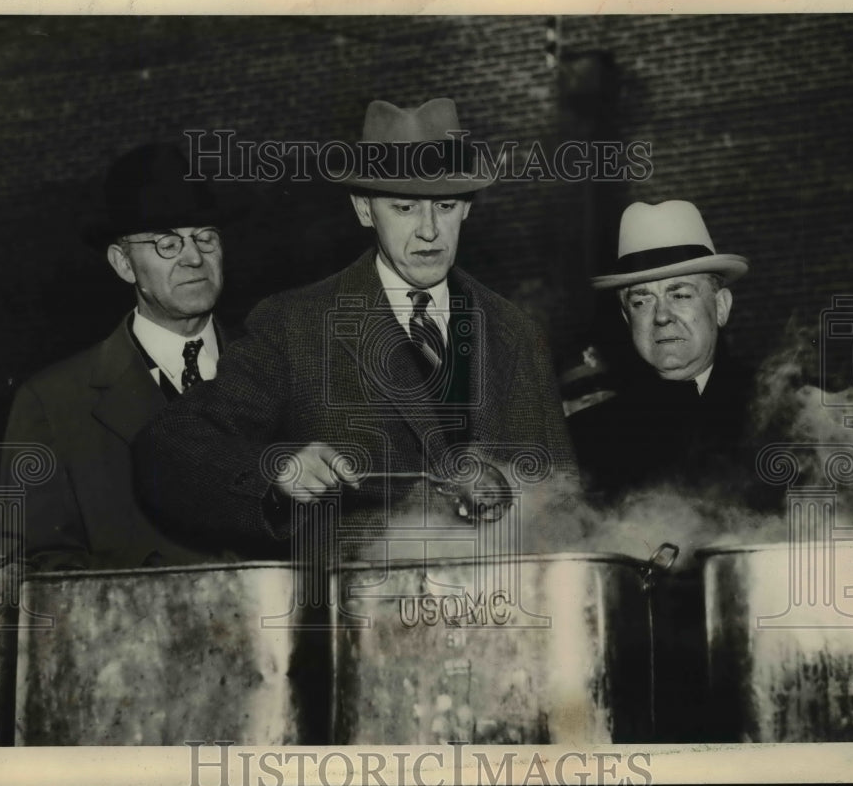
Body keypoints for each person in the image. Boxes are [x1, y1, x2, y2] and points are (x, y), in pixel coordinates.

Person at [134, 98, 575, 558]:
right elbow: (169, 446)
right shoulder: (296, 326)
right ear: (365, 210)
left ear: (466, 208)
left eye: (444, 205)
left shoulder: (517, 333)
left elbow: (563, 506)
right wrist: (278, 471)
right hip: (356, 617)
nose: (429, 231)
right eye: (404, 208)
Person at [0, 142, 239, 569]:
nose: (194, 257)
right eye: (167, 244)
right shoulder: (53, 402)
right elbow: (38, 568)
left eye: (206, 236)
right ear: (123, 264)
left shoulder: (282, 368)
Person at [569, 199, 752, 498]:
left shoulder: (784, 415)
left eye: (680, 295)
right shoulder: (586, 438)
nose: (662, 316)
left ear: (721, 307)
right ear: (627, 318)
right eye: (641, 302)